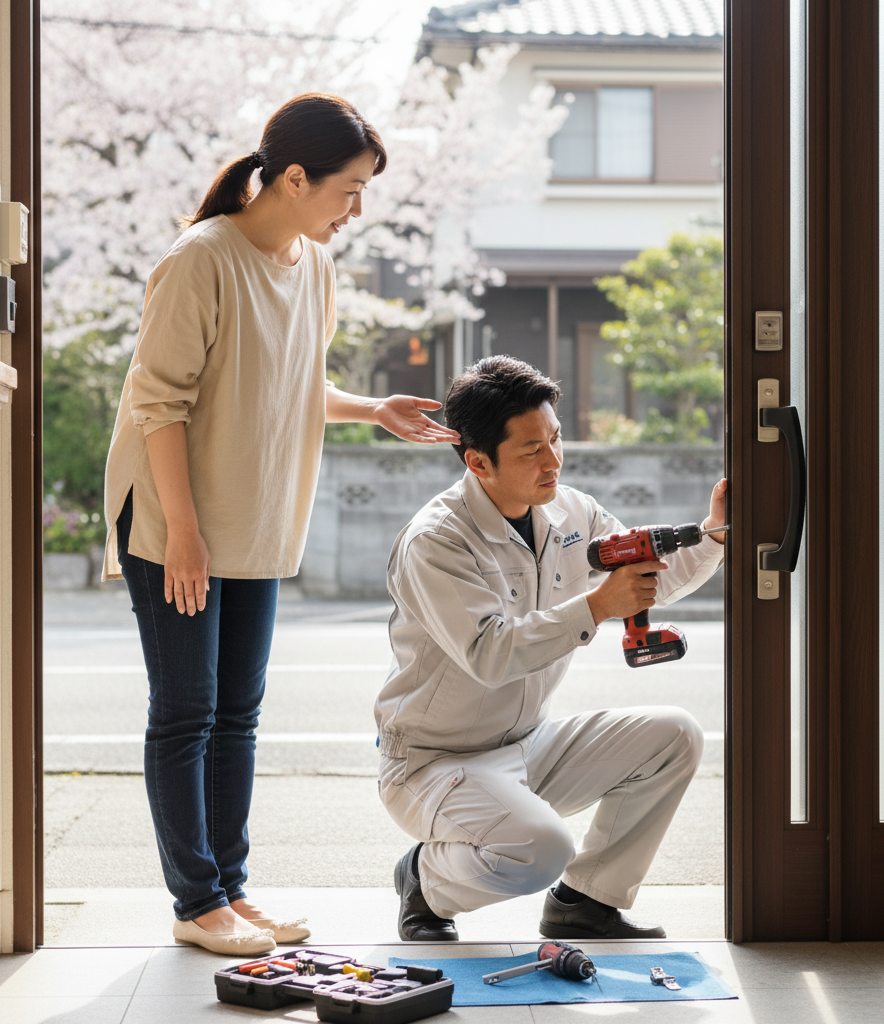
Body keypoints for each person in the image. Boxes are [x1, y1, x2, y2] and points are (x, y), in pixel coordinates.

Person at [102, 93, 459, 956]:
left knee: (238, 714)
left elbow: (290, 382)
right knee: (186, 712)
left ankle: (229, 892)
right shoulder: (202, 260)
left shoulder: (314, 266)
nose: (356, 210)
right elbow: (159, 408)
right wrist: (182, 535)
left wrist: (373, 408)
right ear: (293, 177)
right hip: (175, 519)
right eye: (348, 189)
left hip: (253, 520)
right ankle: (197, 904)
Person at [376, 356, 727, 941]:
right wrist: (595, 606)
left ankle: (587, 903)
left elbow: (645, 577)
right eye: (531, 450)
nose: (554, 461)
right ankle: (425, 879)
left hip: (525, 743)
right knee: (541, 851)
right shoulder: (436, 542)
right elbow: (489, 654)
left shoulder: (571, 510)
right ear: (477, 462)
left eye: (556, 439)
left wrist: (714, 533)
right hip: (432, 763)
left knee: (675, 734)